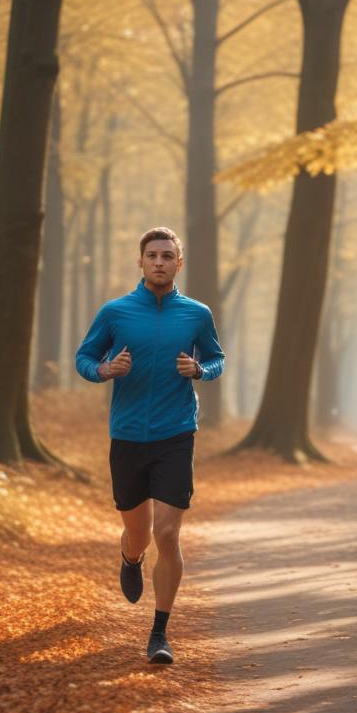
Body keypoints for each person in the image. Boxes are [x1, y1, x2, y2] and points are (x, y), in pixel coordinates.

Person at [75, 227, 224, 665]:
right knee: (139, 533)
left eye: (167, 255)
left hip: (176, 433)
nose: (159, 262)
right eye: (152, 255)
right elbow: (83, 358)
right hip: (127, 436)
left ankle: (159, 633)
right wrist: (105, 370)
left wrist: (199, 370)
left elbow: (217, 359)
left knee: (167, 532)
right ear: (140, 262)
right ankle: (129, 555)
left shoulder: (196, 314)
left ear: (179, 263)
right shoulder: (116, 312)